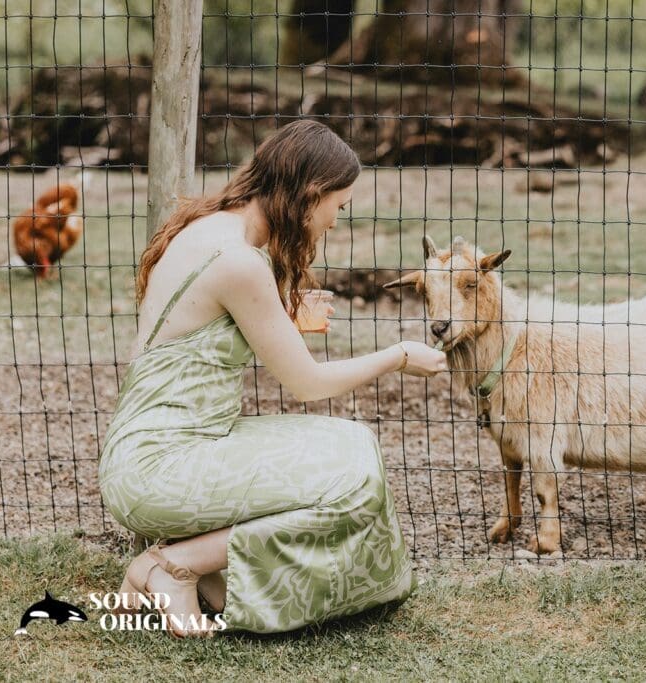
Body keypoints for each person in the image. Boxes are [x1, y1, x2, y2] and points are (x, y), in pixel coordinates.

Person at [98, 120, 446, 637]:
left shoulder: (216, 224)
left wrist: (283, 310)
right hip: (159, 467)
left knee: (356, 445)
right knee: (351, 484)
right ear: (310, 195)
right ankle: (175, 566)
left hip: (170, 443)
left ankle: (209, 572)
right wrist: (397, 355)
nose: (334, 222)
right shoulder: (239, 261)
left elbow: (207, 325)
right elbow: (308, 384)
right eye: (338, 206)